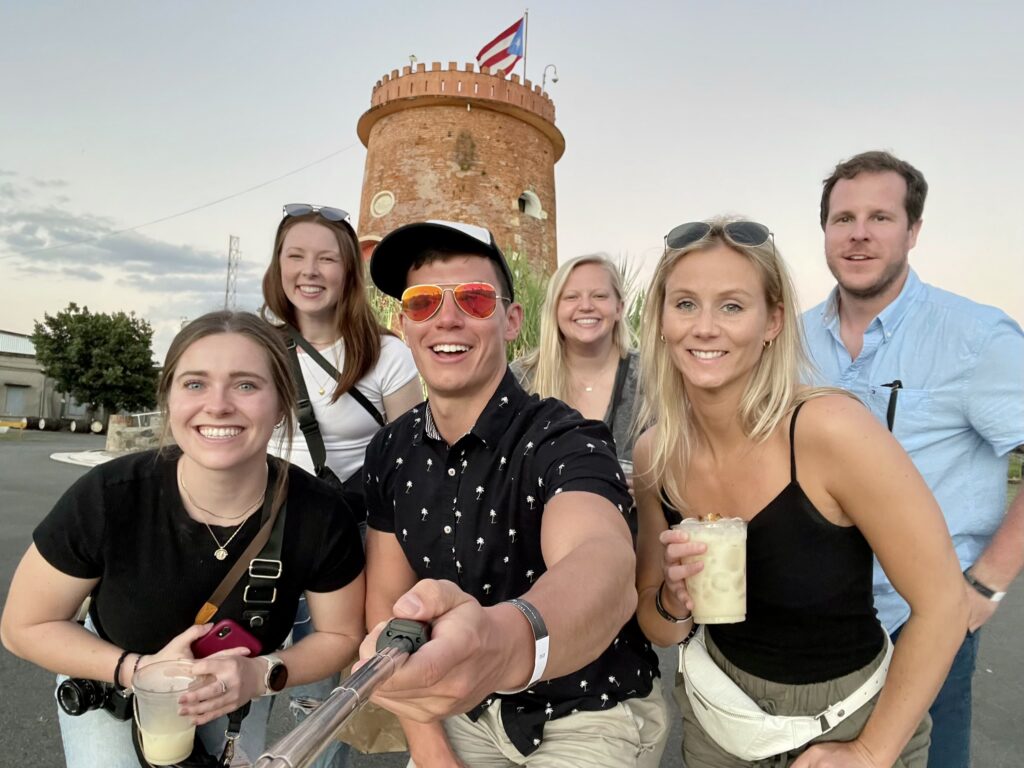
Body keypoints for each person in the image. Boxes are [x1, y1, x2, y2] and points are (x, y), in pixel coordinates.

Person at [633, 218, 967, 767]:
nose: (705, 327)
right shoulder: (656, 454)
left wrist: (870, 752)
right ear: (662, 321)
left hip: (850, 718)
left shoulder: (827, 429)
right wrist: (674, 598)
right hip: (721, 724)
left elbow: (944, 604)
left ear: (773, 322)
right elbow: (661, 629)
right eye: (685, 303)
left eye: (733, 306)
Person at [358, 220, 668, 767]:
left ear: (511, 319)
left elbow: (603, 562)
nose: (447, 318)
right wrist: (430, 750)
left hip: (588, 710)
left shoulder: (564, 438)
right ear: (403, 324)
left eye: (474, 300)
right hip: (462, 711)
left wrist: (500, 642)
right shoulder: (391, 450)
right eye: (423, 301)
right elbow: (385, 603)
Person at [0, 311, 366, 767]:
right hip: (112, 679)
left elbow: (341, 635)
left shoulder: (320, 514)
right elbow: (24, 626)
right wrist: (139, 671)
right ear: (169, 398)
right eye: (195, 384)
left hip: (234, 695)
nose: (218, 405)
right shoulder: (110, 496)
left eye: (246, 385)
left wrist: (259, 674)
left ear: (280, 406)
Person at [803, 151, 1024, 768]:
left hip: (922, 619)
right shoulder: (787, 341)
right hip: (811, 622)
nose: (860, 233)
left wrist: (986, 585)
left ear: (913, 231)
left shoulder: (975, 337)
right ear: (824, 231)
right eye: (843, 218)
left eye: (880, 216)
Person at [261, 203, 421, 766]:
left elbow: (410, 458)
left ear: (349, 271)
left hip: (340, 537)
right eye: (295, 256)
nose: (310, 270)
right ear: (278, 266)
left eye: (327, 258)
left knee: (320, 697)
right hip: (261, 533)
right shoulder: (258, 346)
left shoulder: (386, 354)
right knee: (243, 683)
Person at [511, 254, 639, 468]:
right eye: (571, 297)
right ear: (555, 308)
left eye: (599, 296)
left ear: (619, 308)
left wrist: (650, 486)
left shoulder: (652, 377)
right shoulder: (521, 379)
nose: (586, 306)